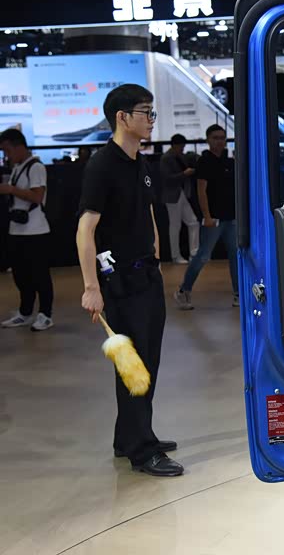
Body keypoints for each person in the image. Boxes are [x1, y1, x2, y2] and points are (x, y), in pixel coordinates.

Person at [76, 84, 183, 476]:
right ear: (122, 117)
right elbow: (85, 229)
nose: (151, 120)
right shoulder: (102, 166)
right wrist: (91, 287)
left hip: (146, 276)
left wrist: (156, 256)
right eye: (145, 112)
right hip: (120, 283)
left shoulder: (140, 162)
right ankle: (142, 450)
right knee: (133, 365)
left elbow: (148, 214)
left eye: (152, 112)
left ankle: (129, 437)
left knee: (147, 360)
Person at [174, 124, 238, 310]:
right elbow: (201, 191)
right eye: (215, 138)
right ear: (208, 140)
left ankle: (238, 293)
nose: (219, 141)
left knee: (235, 255)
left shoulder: (229, 161)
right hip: (214, 218)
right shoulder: (204, 161)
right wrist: (207, 216)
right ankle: (184, 290)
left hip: (231, 217)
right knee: (203, 255)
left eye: (222, 138)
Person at [0, 129, 55, 331]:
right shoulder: (17, 168)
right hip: (17, 230)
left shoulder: (36, 167)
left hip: (36, 231)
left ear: (19, 146)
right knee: (21, 276)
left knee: (40, 275)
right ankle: (25, 312)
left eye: (7, 150)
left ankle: (45, 315)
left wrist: (11, 190)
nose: (6, 156)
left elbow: (37, 197)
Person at [160, 133, 199, 264]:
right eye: (181, 147)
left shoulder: (179, 156)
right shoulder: (166, 158)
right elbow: (167, 178)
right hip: (172, 195)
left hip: (181, 193)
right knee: (175, 226)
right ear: (174, 146)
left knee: (193, 222)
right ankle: (175, 255)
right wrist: (184, 174)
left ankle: (194, 253)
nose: (182, 149)